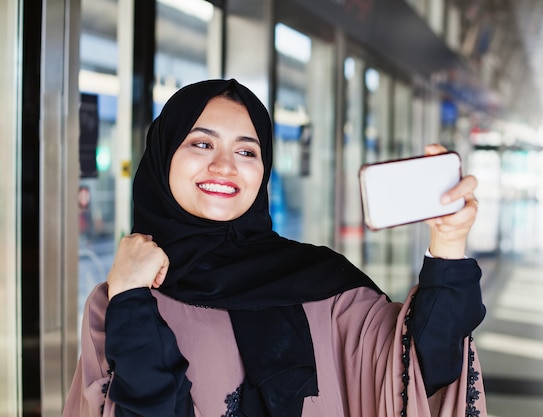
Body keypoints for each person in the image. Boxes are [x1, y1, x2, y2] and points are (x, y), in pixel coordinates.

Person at [63, 79, 486, 417]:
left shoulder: (322, 286)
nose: (225, 166)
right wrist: (133, 297)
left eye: (246, 150)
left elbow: (421, 368)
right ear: (162, 157)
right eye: (201, 143)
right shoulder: (121, 300)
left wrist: (447, 243)